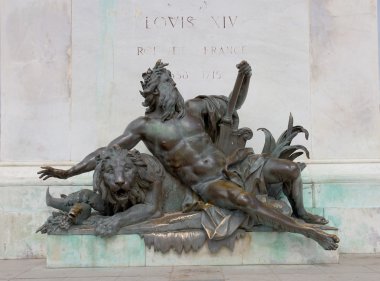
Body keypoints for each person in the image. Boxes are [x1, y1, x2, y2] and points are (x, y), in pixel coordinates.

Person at [39, 60, 339, 250]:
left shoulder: (195, 109)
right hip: (207, 184)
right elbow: (107, 152)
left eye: (173, 81)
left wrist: (245, 78)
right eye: (168, 83)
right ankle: (308, 233)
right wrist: (68, 172)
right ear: (156, 92)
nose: (174, 87)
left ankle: (301, 212)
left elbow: (233, 106)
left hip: (237, 165)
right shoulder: (145, 127)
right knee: (245, 202)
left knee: (291, 171)